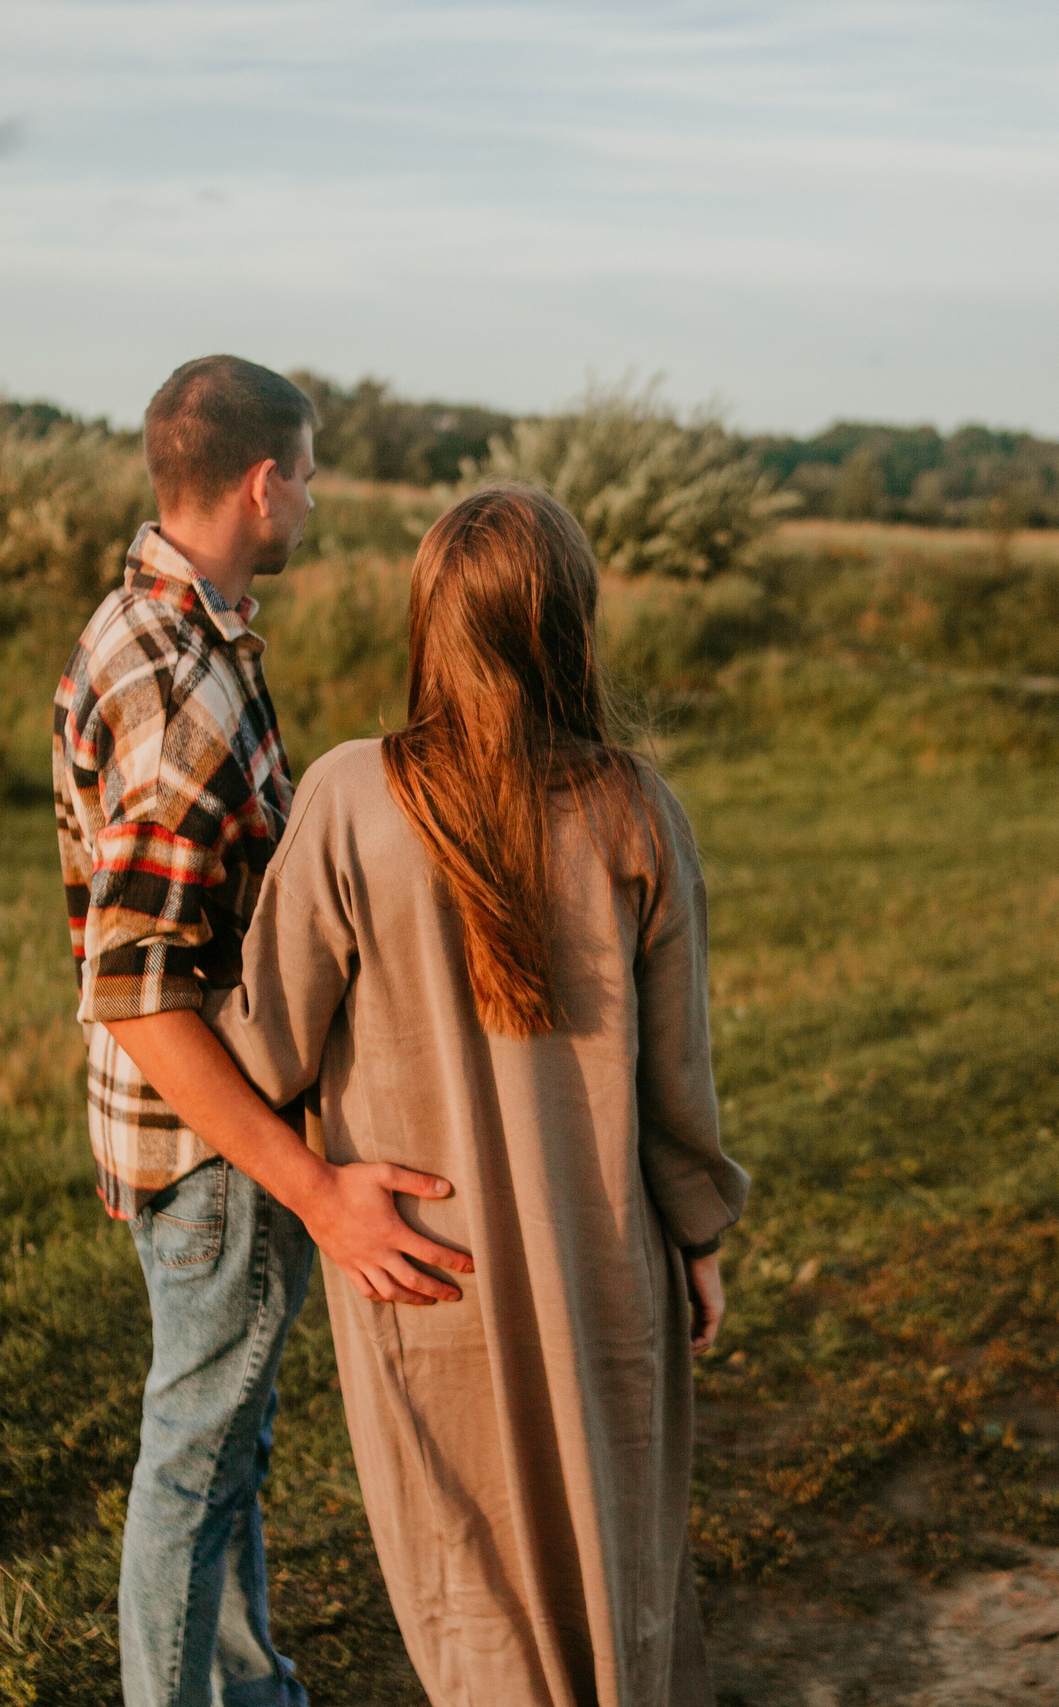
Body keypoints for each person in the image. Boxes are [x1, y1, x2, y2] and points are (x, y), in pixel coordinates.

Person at [196, 484, 750, 1705]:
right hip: (609, 1266)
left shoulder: (346, 799)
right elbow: (677, 1085)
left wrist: (147, 986)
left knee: (473, 1605)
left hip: (422, 1269)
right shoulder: (637, 812)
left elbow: (267, 1054)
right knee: (618, 1583)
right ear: (574, 631)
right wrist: (698, 1238)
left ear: (429, 624)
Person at [53, 355, 473, 1707]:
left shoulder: (149, 624)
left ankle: (252, 1687)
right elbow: (138, 989)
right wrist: (317, 1190)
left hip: (199, 1139)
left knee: (223, 1438)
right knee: (194, 1451)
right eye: (309, 467)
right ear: (260, 480)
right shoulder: (190, 693)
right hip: (216, 1146)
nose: (317, 492)